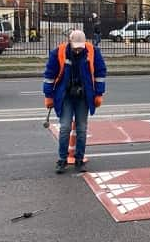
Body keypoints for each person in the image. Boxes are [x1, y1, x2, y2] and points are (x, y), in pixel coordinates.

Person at [43, 29, 107, 174]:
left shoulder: (92, 51)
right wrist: (49, 96)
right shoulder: (58, 53)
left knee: (82, 128)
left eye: (80, 47)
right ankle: (62, 160)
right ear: (70, 42)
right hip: (65, 95)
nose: (78, 50)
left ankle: (79, 159)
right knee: (65, 127)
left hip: (83, 96)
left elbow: (100, 73)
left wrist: (99, 94)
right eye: (75, 47)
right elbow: (49, 75)